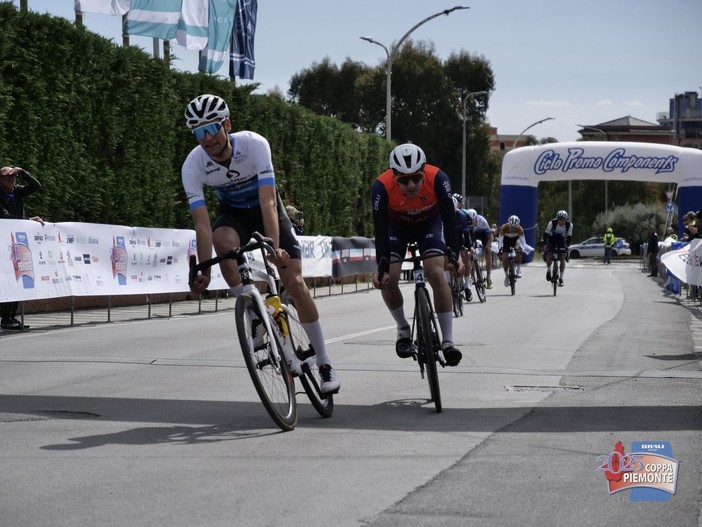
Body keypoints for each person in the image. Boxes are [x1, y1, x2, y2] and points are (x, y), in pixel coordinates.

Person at [181, 94, 339, 394]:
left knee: (294, 282)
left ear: (226, 125)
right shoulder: (193, 164)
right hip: (234, 215)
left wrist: (274, 248)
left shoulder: (254, 145)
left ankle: (324, 362)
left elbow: (268, 201)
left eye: (211, 129)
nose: (207, 139)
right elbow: (201, 223)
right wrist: (202, 268)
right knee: (222, 241)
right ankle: (253, 310)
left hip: (266, 210)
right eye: (198, 133)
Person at [371, 143, 464, 366]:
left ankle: (448, 341)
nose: (411, 184)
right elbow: (380, 229)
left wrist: (454, 255)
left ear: (424, 172)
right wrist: (381, 268)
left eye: (416, 178)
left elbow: (450, 221)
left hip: (429, 225)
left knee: (435, 271)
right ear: (394, 176)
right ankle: (403, 329)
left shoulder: (438, 179)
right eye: (404, 180)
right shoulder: (381, 187)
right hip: (396, 229)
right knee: (389, 278)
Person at [1, 166, 44, 330]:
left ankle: (10, 316)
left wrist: (23, 172)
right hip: (3, 241)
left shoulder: (17, 191)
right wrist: (27, 220)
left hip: (16, 244)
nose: (11, 180)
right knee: (7, 279)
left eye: (13, 177)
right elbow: (3, 215)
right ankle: (6, 317)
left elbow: (36, 186)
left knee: (16, 278)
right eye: (7, 177)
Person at [465, 208, 494, 289]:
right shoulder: (466, 222)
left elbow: (490, 237)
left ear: (476, 218)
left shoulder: (482, 221)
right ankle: (471, 276)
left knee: (488, 252)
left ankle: (488, 277)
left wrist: (487, 246)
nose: (471, 222)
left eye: (472, 220)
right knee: (470, 254)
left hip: (483, 234)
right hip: (472, 234)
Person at [543, 210, 573, 287]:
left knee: (562, 257)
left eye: (563, 220)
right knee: (549, 255)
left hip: (561, 240)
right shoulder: (552, 223)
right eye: (559, 219)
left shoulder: (569, 225)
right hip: (551, 239)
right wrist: (545, 244)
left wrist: (568, 246)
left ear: (566, 220)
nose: (561, 221)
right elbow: (545, 235)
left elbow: (569, 237)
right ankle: (549, 270)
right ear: (557, 219)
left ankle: (561, 279)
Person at [452, 194, 473, 301]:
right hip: (449, 239)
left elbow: (468, 233)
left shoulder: (463, 215)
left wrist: (470, 248)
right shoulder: (442, 214)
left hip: (461, 238)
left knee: (466, 256)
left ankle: (467, 287)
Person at [498, 215, 525, 286]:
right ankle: (506, 276)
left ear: (518, 225)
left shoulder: (520, 229)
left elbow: (523, 242)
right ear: (508, 223)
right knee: (504, 258)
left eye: (515, 227)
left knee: (518, 249)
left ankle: (519, 269)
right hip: (506, 240)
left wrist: (522, 249)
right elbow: (500, 241)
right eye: (511, 227)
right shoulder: (504, 227)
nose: (513, 228)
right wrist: (500, 249)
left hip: (515, 240)